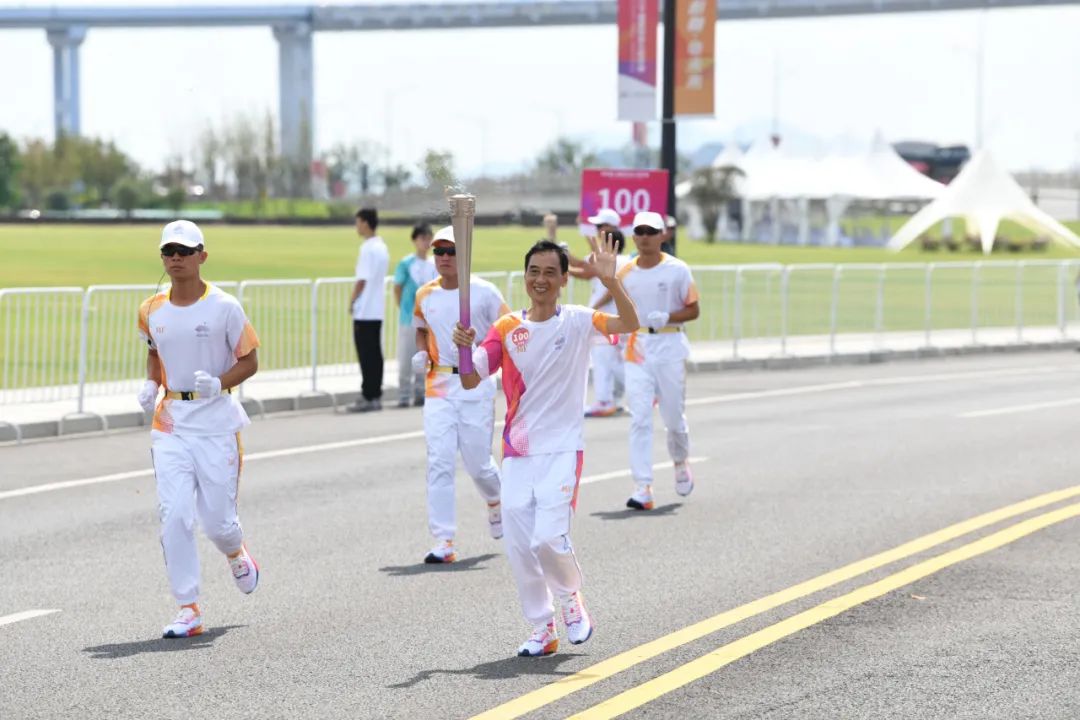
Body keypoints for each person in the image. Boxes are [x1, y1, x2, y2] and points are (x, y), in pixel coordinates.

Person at [452, 235, 639, 657]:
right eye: (534, 271)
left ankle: (572, 600)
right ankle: (542, 626)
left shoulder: (577, 321)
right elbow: (469, 378)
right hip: (519, 451)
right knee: (520, 543)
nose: (541, 279)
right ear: (525, 276)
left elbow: (628, 324)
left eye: (550, 272)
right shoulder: (506, 329)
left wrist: (612, 284)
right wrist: (462, 349)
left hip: (562, 449)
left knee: (547, 538)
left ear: (563, 279)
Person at [136, 220, 261, 639]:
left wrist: (221, 383)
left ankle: (235, 550)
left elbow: (250, 360)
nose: (175, 258)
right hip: (170, 423)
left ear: (202, 256)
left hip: (215, 424)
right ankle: (187, 607)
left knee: (219, 523)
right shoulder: (151, 310)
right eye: (168, 251)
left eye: (184, 251)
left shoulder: (225, 306)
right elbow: (156, 354)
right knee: (174, 515)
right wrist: (152, 383)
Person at [411, 226, 510, 563]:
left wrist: (486, 356)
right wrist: (423, 353)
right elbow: (421, 331)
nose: (444, 258)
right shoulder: (425, 294)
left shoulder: (484, 293)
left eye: (451, 251)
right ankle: (444, 540)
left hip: (476, 382)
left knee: (478, 464)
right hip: (438, 385)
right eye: (439, 251)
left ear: (464, 254)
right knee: (439, 461)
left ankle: (497, 501)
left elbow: (507, 332)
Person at [618, 211, 700, 511]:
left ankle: (680, 462)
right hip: (637, 347)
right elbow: (622, 311)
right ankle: (642, 486)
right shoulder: (625, 273)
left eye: (650, 232)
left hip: (669, 344)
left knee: (673, 417)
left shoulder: (678, 270)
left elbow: (693, 310)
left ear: (662, 235)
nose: (644, 237)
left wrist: (667, 316)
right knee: (639, 417)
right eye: (639, 231)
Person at [573, 229, 630, 417]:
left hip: (604, 319)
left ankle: (604, 401)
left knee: (603, 361)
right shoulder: (623, 261)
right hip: (617, 320)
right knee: (616, 362)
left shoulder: (617, 262)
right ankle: (616, 399)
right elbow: (583, 268)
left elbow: (610, 289)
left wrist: (593, 308)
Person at [348, 207, 389, 412]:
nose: (357, 226)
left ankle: (368, 394)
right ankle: (375, 394)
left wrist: (352, 300)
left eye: (358, 222)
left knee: (366, 354)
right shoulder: (382, 247)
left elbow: (361, 280)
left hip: (364, 310)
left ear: (365, 222)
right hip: (377, 309)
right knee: (375, 353)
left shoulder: (367, 248)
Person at [393, 224, 437, 408]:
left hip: (428, 321)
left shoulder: (434, 264)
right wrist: (403, 308)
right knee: (405, 357)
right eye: (422, 238)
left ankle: (420, 392)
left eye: (428, 238)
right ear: (415, 240)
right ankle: (404, 394)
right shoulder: (406, 264)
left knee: (424, 356)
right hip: (408, 318)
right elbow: (397, 288)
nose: (425, 242)